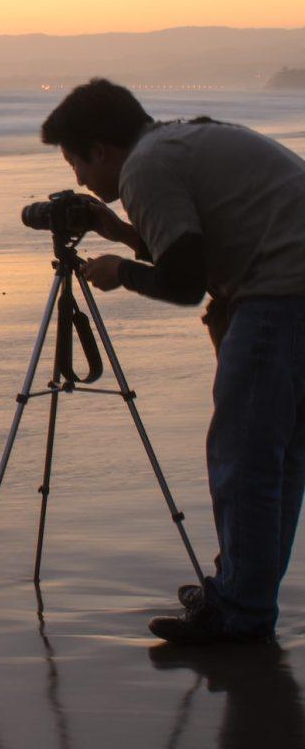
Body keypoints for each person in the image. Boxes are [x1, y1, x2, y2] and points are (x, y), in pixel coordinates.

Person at [41, 78, 305, 645]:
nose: (79, 180)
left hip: (280, 298)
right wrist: (118, 231)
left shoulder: (145, 168)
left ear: (102, 149)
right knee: (277, 463)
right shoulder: (181, 143)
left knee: (244, 461)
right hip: (290, 290)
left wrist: (121, 272)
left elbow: (185, 283)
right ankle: (243, 596)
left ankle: (239, 613)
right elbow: (194, 249)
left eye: (76, 163)